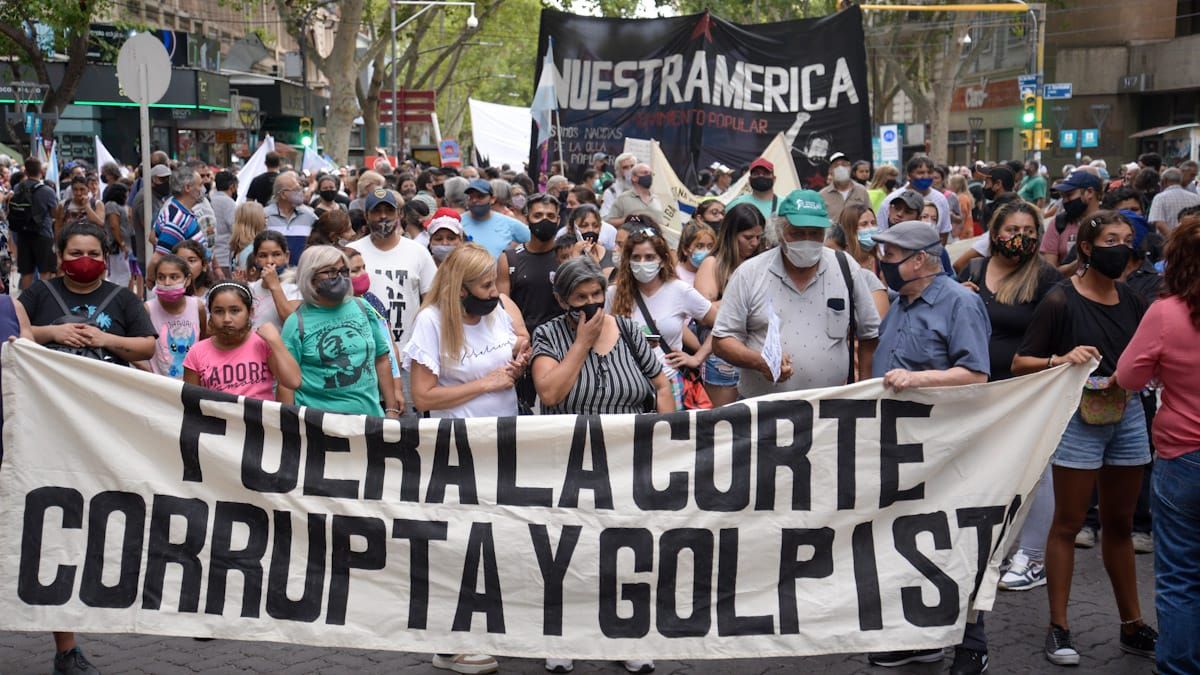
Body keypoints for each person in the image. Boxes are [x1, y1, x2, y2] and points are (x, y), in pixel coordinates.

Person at [1012, 211, 1157, 667]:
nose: (1122, 247)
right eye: (1111, 239)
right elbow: (1020, 362)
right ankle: (1059, 627)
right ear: (1088, 249)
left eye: (1128, 240)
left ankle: (1132, 624)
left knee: (1119, 523)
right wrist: (1062, 359)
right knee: (1068, 523)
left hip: (1127, 415)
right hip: (1076, 419)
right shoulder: (1059, 301)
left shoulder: (1133, 301)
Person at [867, 220, 992, 673]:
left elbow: (976, 375)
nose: (884, 263)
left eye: (891, 254)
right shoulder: (900, 305)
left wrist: (919, 378)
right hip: (903, 448)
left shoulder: (961, 303)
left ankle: (971, 643)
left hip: (947, 448)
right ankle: (917, 639)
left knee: (957, 542)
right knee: (909, 541)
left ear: (921, 259)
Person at [956, 201, 1061, 594]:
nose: (1021, 237)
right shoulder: (974, 271)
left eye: (1030, 230)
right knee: (986, 471)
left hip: (1023, 390)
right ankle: (986, 548)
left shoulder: (1045, 279)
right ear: (994, 232)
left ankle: (1032, 556)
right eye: (1013, 228)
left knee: (1035, 472)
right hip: (979, 390)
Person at [1116, 217, 1200, 675]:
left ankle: (1180, 667)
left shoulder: (1166, 313)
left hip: (1183, 456)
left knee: (1180, 577)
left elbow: (1129, 377)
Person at [713, 190, 880, 397]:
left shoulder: (846, 267)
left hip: (828, 411)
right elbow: (722, 340)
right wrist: (759, 362)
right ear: (780, 232)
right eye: (798, 233)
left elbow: (869, 334)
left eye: (815, 233)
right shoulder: (750, 273)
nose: (807, 240)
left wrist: (863, 392)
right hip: (765, 409)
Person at [405, 242, 530, 422]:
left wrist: (516, 369)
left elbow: (502, 371)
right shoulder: (431, 320)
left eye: (494, 282)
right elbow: (423, 398)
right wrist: (484, 384)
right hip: (461, 439)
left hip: (505, 431)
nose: (495, 292)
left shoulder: (496, 311)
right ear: (461, 290)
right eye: (486, 286)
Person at [278, 245, 400, 417]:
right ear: (310, 276)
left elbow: (381, 358)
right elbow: (286, 382)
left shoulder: (362, 307)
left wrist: (391, 409)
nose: (339, 277)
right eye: (330, 271)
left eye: (343, 271)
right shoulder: (296, 323)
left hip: (370, 421)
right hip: (318, 427)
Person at [609, 225, 717, 410]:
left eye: (649, 257)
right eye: (636, 257)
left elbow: (722, 324)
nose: (642, 262)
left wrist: (697, 358)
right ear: (628, 261)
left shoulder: (679, 290)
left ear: (662, 259)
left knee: (670, 437)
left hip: (669, 385)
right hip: (625, 387)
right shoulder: (614, 294)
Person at [19, 221, 157, 367]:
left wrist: (105, 339)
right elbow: (11, 331)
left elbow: (147, 347)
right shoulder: (39, 292)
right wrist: (52, 333)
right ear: (60, 256)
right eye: (76, 253)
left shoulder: (124, 297)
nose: (85, 260)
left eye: (93, 254)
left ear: (105, 257)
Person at [347, 187, 437, 349]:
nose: (383, 216)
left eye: (389, 210)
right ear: (366, 216)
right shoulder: (351, 252)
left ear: (399, 214)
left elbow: (432, 300)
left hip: (409, 352)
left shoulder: (418, 252)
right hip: (363, 352)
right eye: (377, 211)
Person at [497, 193, 563, 412]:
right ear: (527, 218)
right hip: (522, 354)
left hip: (560, 351)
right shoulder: (510, 258)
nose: (544, 220)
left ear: (558, 220)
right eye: (538, 215)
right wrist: (518, 347)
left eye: (550, 215)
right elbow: (501, 310)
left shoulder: (566, 257)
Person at [182, 280, 301, 400]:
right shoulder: (197, 352)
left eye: (235, 310)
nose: (227, 319)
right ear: (210, 314)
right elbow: (191, 402)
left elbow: (293, 382)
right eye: (218, 311)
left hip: (259, 418)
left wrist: (275, 341)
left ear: (250, 312)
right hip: (216, 418)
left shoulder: (263, 343)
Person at [694, 203, 764, 406]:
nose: (754, 243)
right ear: (731, 235)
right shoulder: (713, 264)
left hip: (754, 350)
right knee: (727, 420)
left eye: (758, 237)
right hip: (722, 355)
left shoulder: (760, 263)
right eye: (748, 237)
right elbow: (702, 311)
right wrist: (739, 296)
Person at [142, 253, 206, 379]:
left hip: (191, 384)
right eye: (161, 277)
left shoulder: (197, 306)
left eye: (174, 277)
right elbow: (133, 347)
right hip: (161, 386)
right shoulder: (148, 309)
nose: (167, 282)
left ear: (187, 280)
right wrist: (149, 372)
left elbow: (203, 341)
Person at [826, 203, 889, 319]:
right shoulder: (841, 263)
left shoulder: (882, 264)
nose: (870, 228)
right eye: (864, 224)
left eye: (873, 223)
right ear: (850, 229)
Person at [149, 166, 207, 284]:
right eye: (199, 185)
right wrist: (150, 280)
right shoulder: (177, 219)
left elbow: (152, 236)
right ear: (187, 188)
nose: (202, 189)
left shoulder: (177, 210)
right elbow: (157, 259)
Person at [9, 157, 60, 289]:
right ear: (41, 171)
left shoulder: (18, 187)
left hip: (23, 233)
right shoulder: (48, 191)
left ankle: (26, 302)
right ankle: (43, 299)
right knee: (46, 271)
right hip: (43, 234)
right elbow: (55, 214)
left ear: (25, 171)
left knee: (27, 272)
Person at [879, 156, 952, 244]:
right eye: (920, 173)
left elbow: (944, 232)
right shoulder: (892, 200)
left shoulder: (941, 199)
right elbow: (881, 232)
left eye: (929, 172)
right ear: (909, 176)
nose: (925, 176)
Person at [1042, 170, 1103, 273]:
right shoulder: (1058, 223)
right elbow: (1050, 274)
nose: (1065, 201)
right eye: (1063, 196)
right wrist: (1080, 261)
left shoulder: (1110, 222)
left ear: (1089, 192)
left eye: (1069, 195)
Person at [460, 179, 530, 258]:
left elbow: (533, 240)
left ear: (492, 199)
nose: (474, 200)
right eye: (471, 197)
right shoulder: (459, 222)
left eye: (480, 196)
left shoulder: (508, 223)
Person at [247, 231, 301, 331]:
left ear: (286, 257)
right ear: (255, 259)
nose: (270, 261)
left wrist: (274, 286)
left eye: (276, 254)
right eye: (263, 256)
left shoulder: (294, 289)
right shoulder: (250, 288)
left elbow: (291, 323)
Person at [265, 172, 318, 265]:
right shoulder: (264, 216)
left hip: (301, 274)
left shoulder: (310, 215)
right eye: (296, 189)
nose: (301, 192)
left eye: (301, 188)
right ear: (283, 194)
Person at [605, 163, 667, 227]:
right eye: (645, 173)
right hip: (632, 235)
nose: (649, 176)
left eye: (650, 174)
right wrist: (628, 219)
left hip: (656, 236)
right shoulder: (623, 199)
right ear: (634, 178)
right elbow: (609, 222)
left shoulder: (658, 199)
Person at [819, 151, 872, 224]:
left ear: (850, 168)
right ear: (830, 170)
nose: (840, 168)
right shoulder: (822, 195)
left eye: (844, 164)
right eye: (836, 165)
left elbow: (870, 216)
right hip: (833, 235)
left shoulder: (861, 191)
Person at [1147, 167, 1200, 237]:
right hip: (1192, 242)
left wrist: (1173, 241)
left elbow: (1159, 223)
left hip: (1168, 243)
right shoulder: (1196, 197)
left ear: (1164, 181)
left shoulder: (1160, 198)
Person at [102, 182, 134, 292]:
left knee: (125, 274)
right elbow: (114, 226)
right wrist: (122, 244)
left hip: (122, 245)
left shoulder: (118, 206)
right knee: (120, 275)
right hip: (117, 246)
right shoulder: (111, 205)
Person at [562, 204, 614, 269]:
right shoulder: (564, 255)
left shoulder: (612, 257)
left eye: (595, 226)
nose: (590, 230)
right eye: (584, 226)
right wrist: (576, 255)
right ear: (573, 229)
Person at [727, 157, 780, 221]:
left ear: (774, 179)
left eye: (766, 173)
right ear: (749, 179)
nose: (761, 176)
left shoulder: (786, 205)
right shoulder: (736, 204)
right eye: (756, 174)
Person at [210, 170, 238, 279]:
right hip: (223, 257)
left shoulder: (210, 200)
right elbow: (235, 229)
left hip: (213, 256)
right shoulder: (229, 203)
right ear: (232, 186)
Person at [230, 201, 266, 276]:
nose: (266, 221)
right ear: (257, 222)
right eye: (264, 217)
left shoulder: (239, 249)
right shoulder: (252, 251)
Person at [674, 220, 717, 286]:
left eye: (710, 246)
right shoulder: (676, 275)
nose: (706, 252)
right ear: (685, 249)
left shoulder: (713, 274)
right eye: (699, 246)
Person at [601, 152, 637, 218]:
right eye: (625, 167)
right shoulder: (611, 192)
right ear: (618, 171)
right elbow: (605, 217)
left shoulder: (645, 189)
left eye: (632, 166)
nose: (630, 170)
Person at [948, 173, 977, 238]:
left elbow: (962, 219)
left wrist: (954, 234)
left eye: (950, 183)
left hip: (962, 234)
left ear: (955, 185)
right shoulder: (964, 196)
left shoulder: (961, 199)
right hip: (966, 231)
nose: (949, 186)